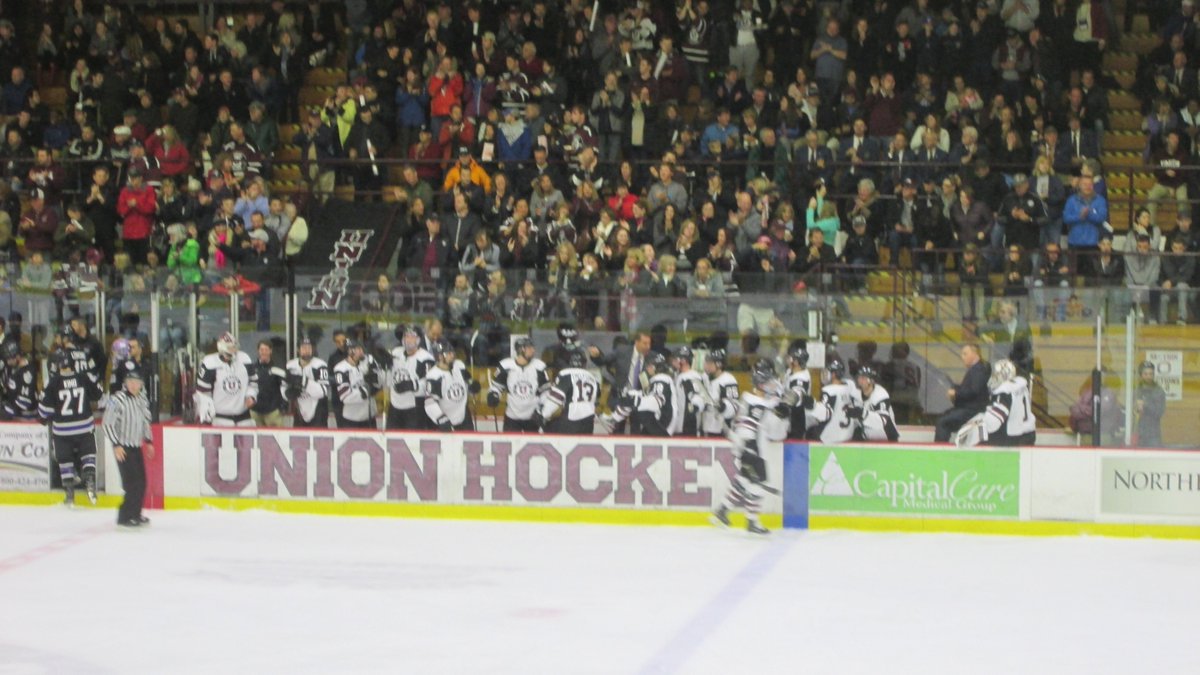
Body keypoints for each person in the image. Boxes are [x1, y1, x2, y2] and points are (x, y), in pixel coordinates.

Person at [711, 360, 790, 536]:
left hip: (744, 447)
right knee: (758, 483)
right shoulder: (757, 404)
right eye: (768, 382)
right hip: (751, 449)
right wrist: (749, 449)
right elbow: (748, 427)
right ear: (761, 384)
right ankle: (752, 521)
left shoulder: (753, 399)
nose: (771, 385)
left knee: (744, 480)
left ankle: (723, 511)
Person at [39, 349, 104, 506]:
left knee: (65, 460)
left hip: (62, 430)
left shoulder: (53, 382)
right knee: (88, 456)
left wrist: (44, 418)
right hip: (84, 426)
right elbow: (98, 394)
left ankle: (69, 495)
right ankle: (90, 484)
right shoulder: (84, 377)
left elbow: (44, 411)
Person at [103, 367, 153, 528]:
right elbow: (107, 423)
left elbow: (145, 421)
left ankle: (136, 514)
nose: (133, 385)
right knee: (131, 483)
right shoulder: (117, 400)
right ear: (125, 383)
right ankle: (125, 516)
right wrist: (116, 445)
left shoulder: (142, 400)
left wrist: (149, 441)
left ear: (141, 384)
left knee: (142, 482)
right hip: (123, 447)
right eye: (130, 382)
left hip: (136, 446)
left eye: (136, 382)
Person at [956, 359, 1036, 447]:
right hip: (1029, 435)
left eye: (997, 374)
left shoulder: (1004, 391)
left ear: (1005, 375)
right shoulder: (1021, 385)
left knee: (980, 438)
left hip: (1012, 438)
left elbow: (993, 422)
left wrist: (975, 427)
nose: (994, 377)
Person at [604, 351, 675, 437]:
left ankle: (613, 419)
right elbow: (647, 397)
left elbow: (656, 401)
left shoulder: (661, 380)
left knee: (634, 401)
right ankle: (614, 419)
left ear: (655, 367)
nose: (647, 368)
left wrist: (635, 401)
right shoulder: (659, 381)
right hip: (660, 422)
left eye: (649, 365)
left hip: (662, 424)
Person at [194, 332, 258, 427]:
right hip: (219, 417)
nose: (233, 350)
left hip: (244, 416)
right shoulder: (209, 363)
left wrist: (251, 396)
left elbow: (253, 382)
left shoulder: (245, 359)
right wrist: (206, 414)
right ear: (221, 348)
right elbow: (202, 393)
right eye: (229, 347)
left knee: (247, 442)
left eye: (234, 347)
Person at [487, 336, 548, 432]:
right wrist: (493, 395)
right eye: (529, 347)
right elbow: (497, 387)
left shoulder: (539, 367)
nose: (533, 350)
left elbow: (545, 391)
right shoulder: (506, 366)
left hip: (533, 417)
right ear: (521, 349)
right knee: (510, 445)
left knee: (532, 446)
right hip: (512, 417)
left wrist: (541, 410)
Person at [934, 344, 990, 442]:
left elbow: (973, 391)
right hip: (969, 408)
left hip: (972, 410)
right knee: (943, 418)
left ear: (975, 354)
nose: (962, 357)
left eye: (965, 354)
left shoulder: (978, 370)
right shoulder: (977, 370)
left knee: (943, 422)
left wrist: (956, 393)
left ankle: (940, 451)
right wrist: (956, 390)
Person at [538, 347, 598, 434]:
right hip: (588, 423)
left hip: (570, 422)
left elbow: (555, 400)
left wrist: (543, 415)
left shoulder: (565, 374)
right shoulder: (592, 377)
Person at [424, 338, 479, 431]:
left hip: (464, 418)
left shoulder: (459, 366)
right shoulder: (433, 376)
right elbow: (429, 403)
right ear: (440, 356)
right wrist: (441, 419)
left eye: (452, 352)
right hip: (446, 421)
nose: (452, 355)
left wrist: (472, 387)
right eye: (448, 353)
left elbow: (467, 382)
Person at [387, 324, 435, 430]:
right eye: (406, 336)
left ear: (418, 339)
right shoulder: (395, 353)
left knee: (413, 441)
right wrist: (383, 367)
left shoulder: (425, 358)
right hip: (394, 406)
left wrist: (412, 385)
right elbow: (388, 380)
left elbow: (429, 385)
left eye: (412, 336)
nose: (408, 339)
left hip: (414, 408)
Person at [806, 357, 862, 443]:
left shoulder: (829, 390)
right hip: (848, 434)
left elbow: (824, 414)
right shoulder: (850, 387)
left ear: (833, 374)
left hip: (830, 434)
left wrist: (811, 405)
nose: (824, 374)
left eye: (827, 372)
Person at [285, 336, 330, 428]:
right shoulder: (290, 365)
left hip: (319, 410)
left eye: (309, 348)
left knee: (319, 440)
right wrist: (286, 393)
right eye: (304, 348)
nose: (306, 350)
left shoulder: (320, 365)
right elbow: (283, 385)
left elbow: (323, 391)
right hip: (299, 410)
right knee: (298, 440)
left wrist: (303, 381)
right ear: (298, 350)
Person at [333, 339, 376, 429]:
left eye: (362, 349)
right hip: (351, 420)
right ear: (349, 351)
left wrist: (378, 374)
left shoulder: (367, 362)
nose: (361, 351)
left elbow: (379, 384)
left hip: (369, 417)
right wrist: (367, 389)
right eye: (358, 349)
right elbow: (345, 396)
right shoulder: (341, 369)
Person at [854, 366, 900, 442]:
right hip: (867, 437)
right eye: (859, 377)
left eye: (863, 378)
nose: (860, 380)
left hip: (887, 438)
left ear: (871, 381)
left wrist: (863, 414)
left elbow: (883, 420)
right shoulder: (856, 394)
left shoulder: (880, 394)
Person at [701, 348, 739, 437]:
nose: (706, 365)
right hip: (706, 426)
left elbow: (734, 406)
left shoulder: (728, 380)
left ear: (719, 364)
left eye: (709, 363)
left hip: (721, 429)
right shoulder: (704, 377)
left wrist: (723, 406)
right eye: (706, 362)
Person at [250, 340, 287, 427]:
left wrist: (283, 406)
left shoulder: (278, 368)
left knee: (278, 438)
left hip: (273, 411)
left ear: (271, 351)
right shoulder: (252, 368)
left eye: (266, 350)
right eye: (262, 350)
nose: (264, 352)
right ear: (258, 351)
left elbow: (284, 387)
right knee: (256, 439)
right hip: (255, 410)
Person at [671, 346, 706, 437]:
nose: (673, 362)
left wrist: (691, 410)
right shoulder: (680, 376)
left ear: (683, 360)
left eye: (675, 359)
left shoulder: (690, 376)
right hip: (679, 426)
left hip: (687, 427)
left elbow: (698, 399)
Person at [2, 341, 37, 421]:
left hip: (25, 417)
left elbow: (25, 402)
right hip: (14, 413)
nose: (8, 361)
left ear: (17, 356)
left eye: (9, 358)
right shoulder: (12, 368)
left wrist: (6, 409)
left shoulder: (28, 372)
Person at [1134, 361, 1166, 447]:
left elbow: (1159, 412)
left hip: (1153, 435)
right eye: (1146, 374)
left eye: (1151, 374)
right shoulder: (1136, 391)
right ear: (1141, 375)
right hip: (1138, 433)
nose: (1149, 376)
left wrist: (1145, 404)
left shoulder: (1158, 391)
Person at [785, 344, 812, 439]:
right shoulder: (791, 372)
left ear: (796, 361)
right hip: (790, 417)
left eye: (790, 357)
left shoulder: (801, 378)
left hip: (797, 418)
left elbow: (795, 400)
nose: (788, 359)